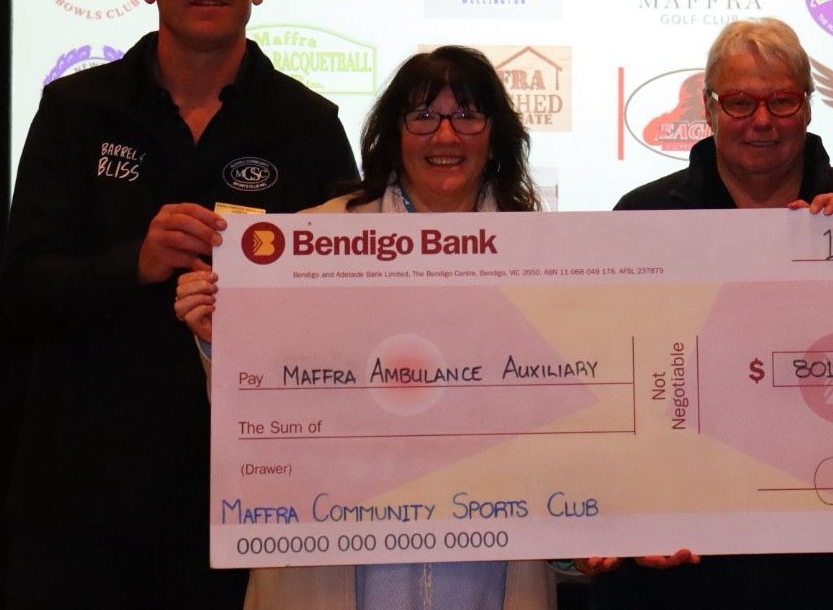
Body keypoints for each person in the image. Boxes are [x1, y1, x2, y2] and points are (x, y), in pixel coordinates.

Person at [2, 0, 358, 609]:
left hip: (247, 494)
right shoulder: (76, 111)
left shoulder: (308, 124)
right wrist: (134, 264)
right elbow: (23, 288)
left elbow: (349, 307)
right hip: (87, 495)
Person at [174, 45, 557, 610]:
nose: (445, 136)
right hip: (334, 562)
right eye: (422, 116)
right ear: (393, 134)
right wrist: (219, 338)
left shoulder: (552, 255)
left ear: (495, 134)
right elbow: (259, 409)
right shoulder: (311, 240)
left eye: (467, 115)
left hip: (486, 564)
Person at [598, 17, 833, 608]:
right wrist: (615, 516)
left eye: (782, 100)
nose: (761, 120)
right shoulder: (639, 217)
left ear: (808, 107)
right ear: (709, 109)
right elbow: (607, 387)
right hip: (681, 564)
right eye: (740, 102)